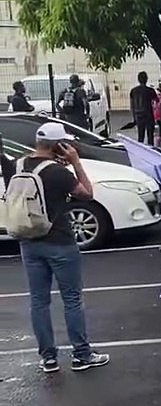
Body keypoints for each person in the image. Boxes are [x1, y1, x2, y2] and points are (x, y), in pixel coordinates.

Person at [10, 122, 108, 373]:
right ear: (59, 145)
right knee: (72, 299)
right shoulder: (57, 172)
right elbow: (86, 194)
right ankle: (81, 354)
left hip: (29, 240)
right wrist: (75, 162)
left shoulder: (19, 164)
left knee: (38, 301)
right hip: (60, 241)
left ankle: (48, 357)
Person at [129, 71, 159, 145]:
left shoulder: (133, 91)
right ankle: (151, 151)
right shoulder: (150, 90)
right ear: (146, 79)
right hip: (148, 114)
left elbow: (132, 105)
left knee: (140, 136)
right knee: (150, 136)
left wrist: (134, 117)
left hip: (138, 114)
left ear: (138, 79)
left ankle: (141, 152)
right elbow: (157, 100)